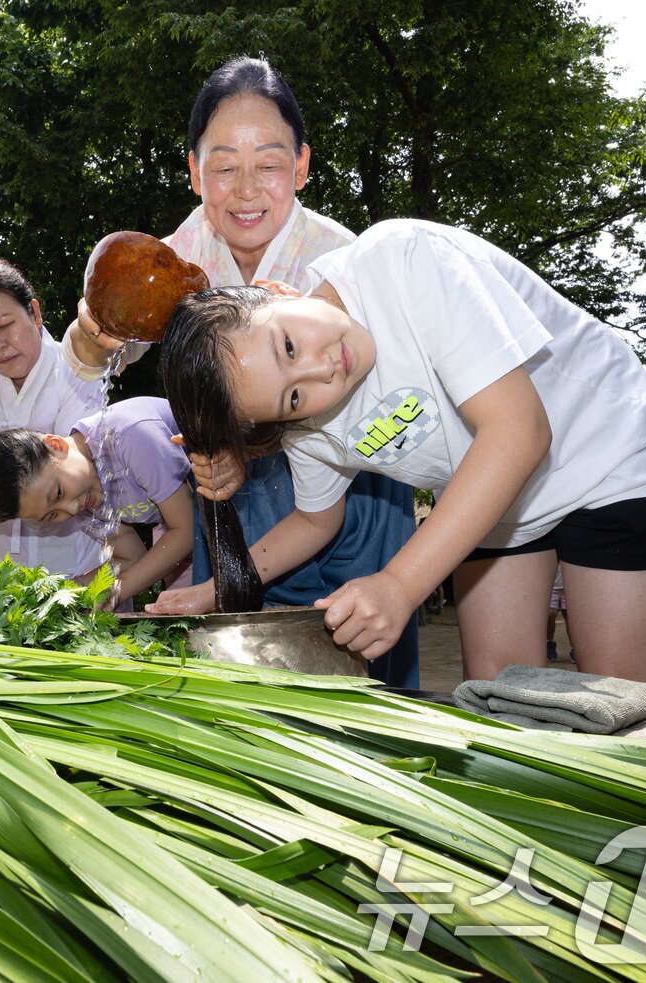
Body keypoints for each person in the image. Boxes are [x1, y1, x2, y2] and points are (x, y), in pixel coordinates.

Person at [152, 218, 646, 712]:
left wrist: (400, 585)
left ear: (276, 291)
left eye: (288, 345)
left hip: (606, 453)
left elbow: (519, 431)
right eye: (291, 399)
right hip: (496, 498)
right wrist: (211, 591)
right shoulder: (307, 423)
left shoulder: (403, 262)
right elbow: (318, 520)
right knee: (501, 697)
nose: (319, 373)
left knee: (625, 695)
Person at [61, 55, 418, 686]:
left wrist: (240, 443)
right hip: (235, 503)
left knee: (365, 674)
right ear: (196, 173)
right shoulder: (173, 260)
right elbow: (97, 355)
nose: (246, 189)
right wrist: (91, 338)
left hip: (353, 486)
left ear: (302, 166)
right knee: (242, 672)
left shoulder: (344, 260)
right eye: (224, 167)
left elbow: (378, 396)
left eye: (270, 165)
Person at [0, 259, 106, 577]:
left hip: (79, 564)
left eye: (5, 326)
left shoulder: (77, 369)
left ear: (35, 313)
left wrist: (2, 505)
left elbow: (76, 469)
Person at [0, 397, 194, 608]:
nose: (71, 509)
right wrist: (66, 593)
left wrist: (115, 593)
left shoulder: (130, 436)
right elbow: (132, 557)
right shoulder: (84, 491)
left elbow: (187, 531)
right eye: (52, 516)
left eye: (58, 493)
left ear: (56, 445)